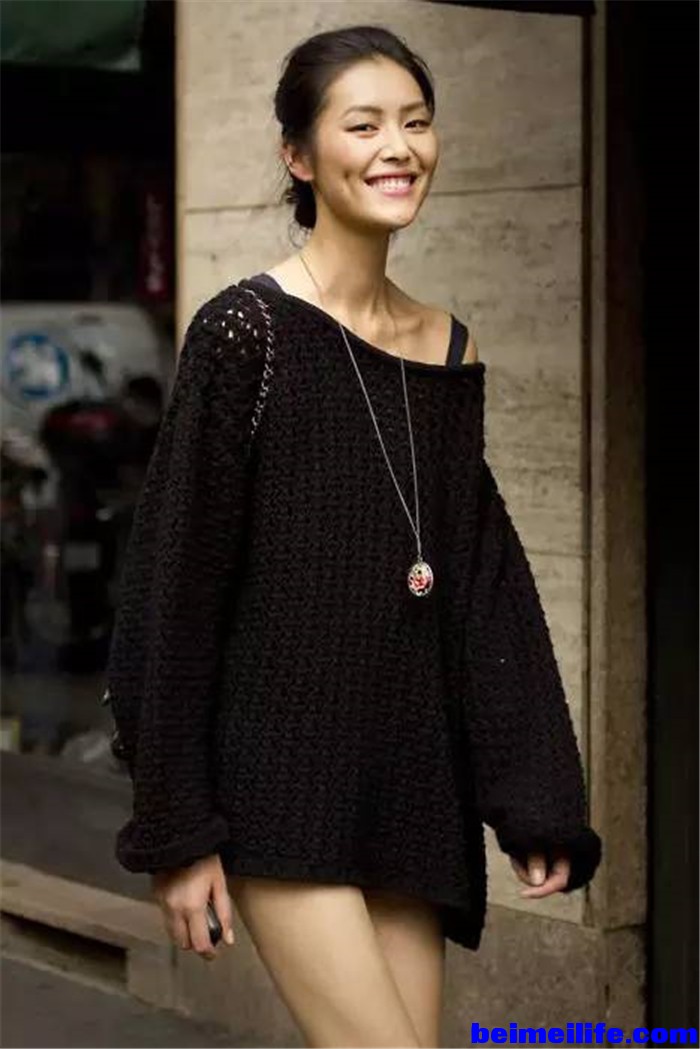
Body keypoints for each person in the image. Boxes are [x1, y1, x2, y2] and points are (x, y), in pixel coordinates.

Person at [105, 25, 602, 1049]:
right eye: (364, 125)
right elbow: (174, 589)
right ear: (298, 155)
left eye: (416, 122)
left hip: (411, 788)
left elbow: (484, 585)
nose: (398, 147)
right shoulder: (247, 332)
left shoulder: (449, 346)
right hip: (279, 781)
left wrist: (536, 796)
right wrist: (176, 828)